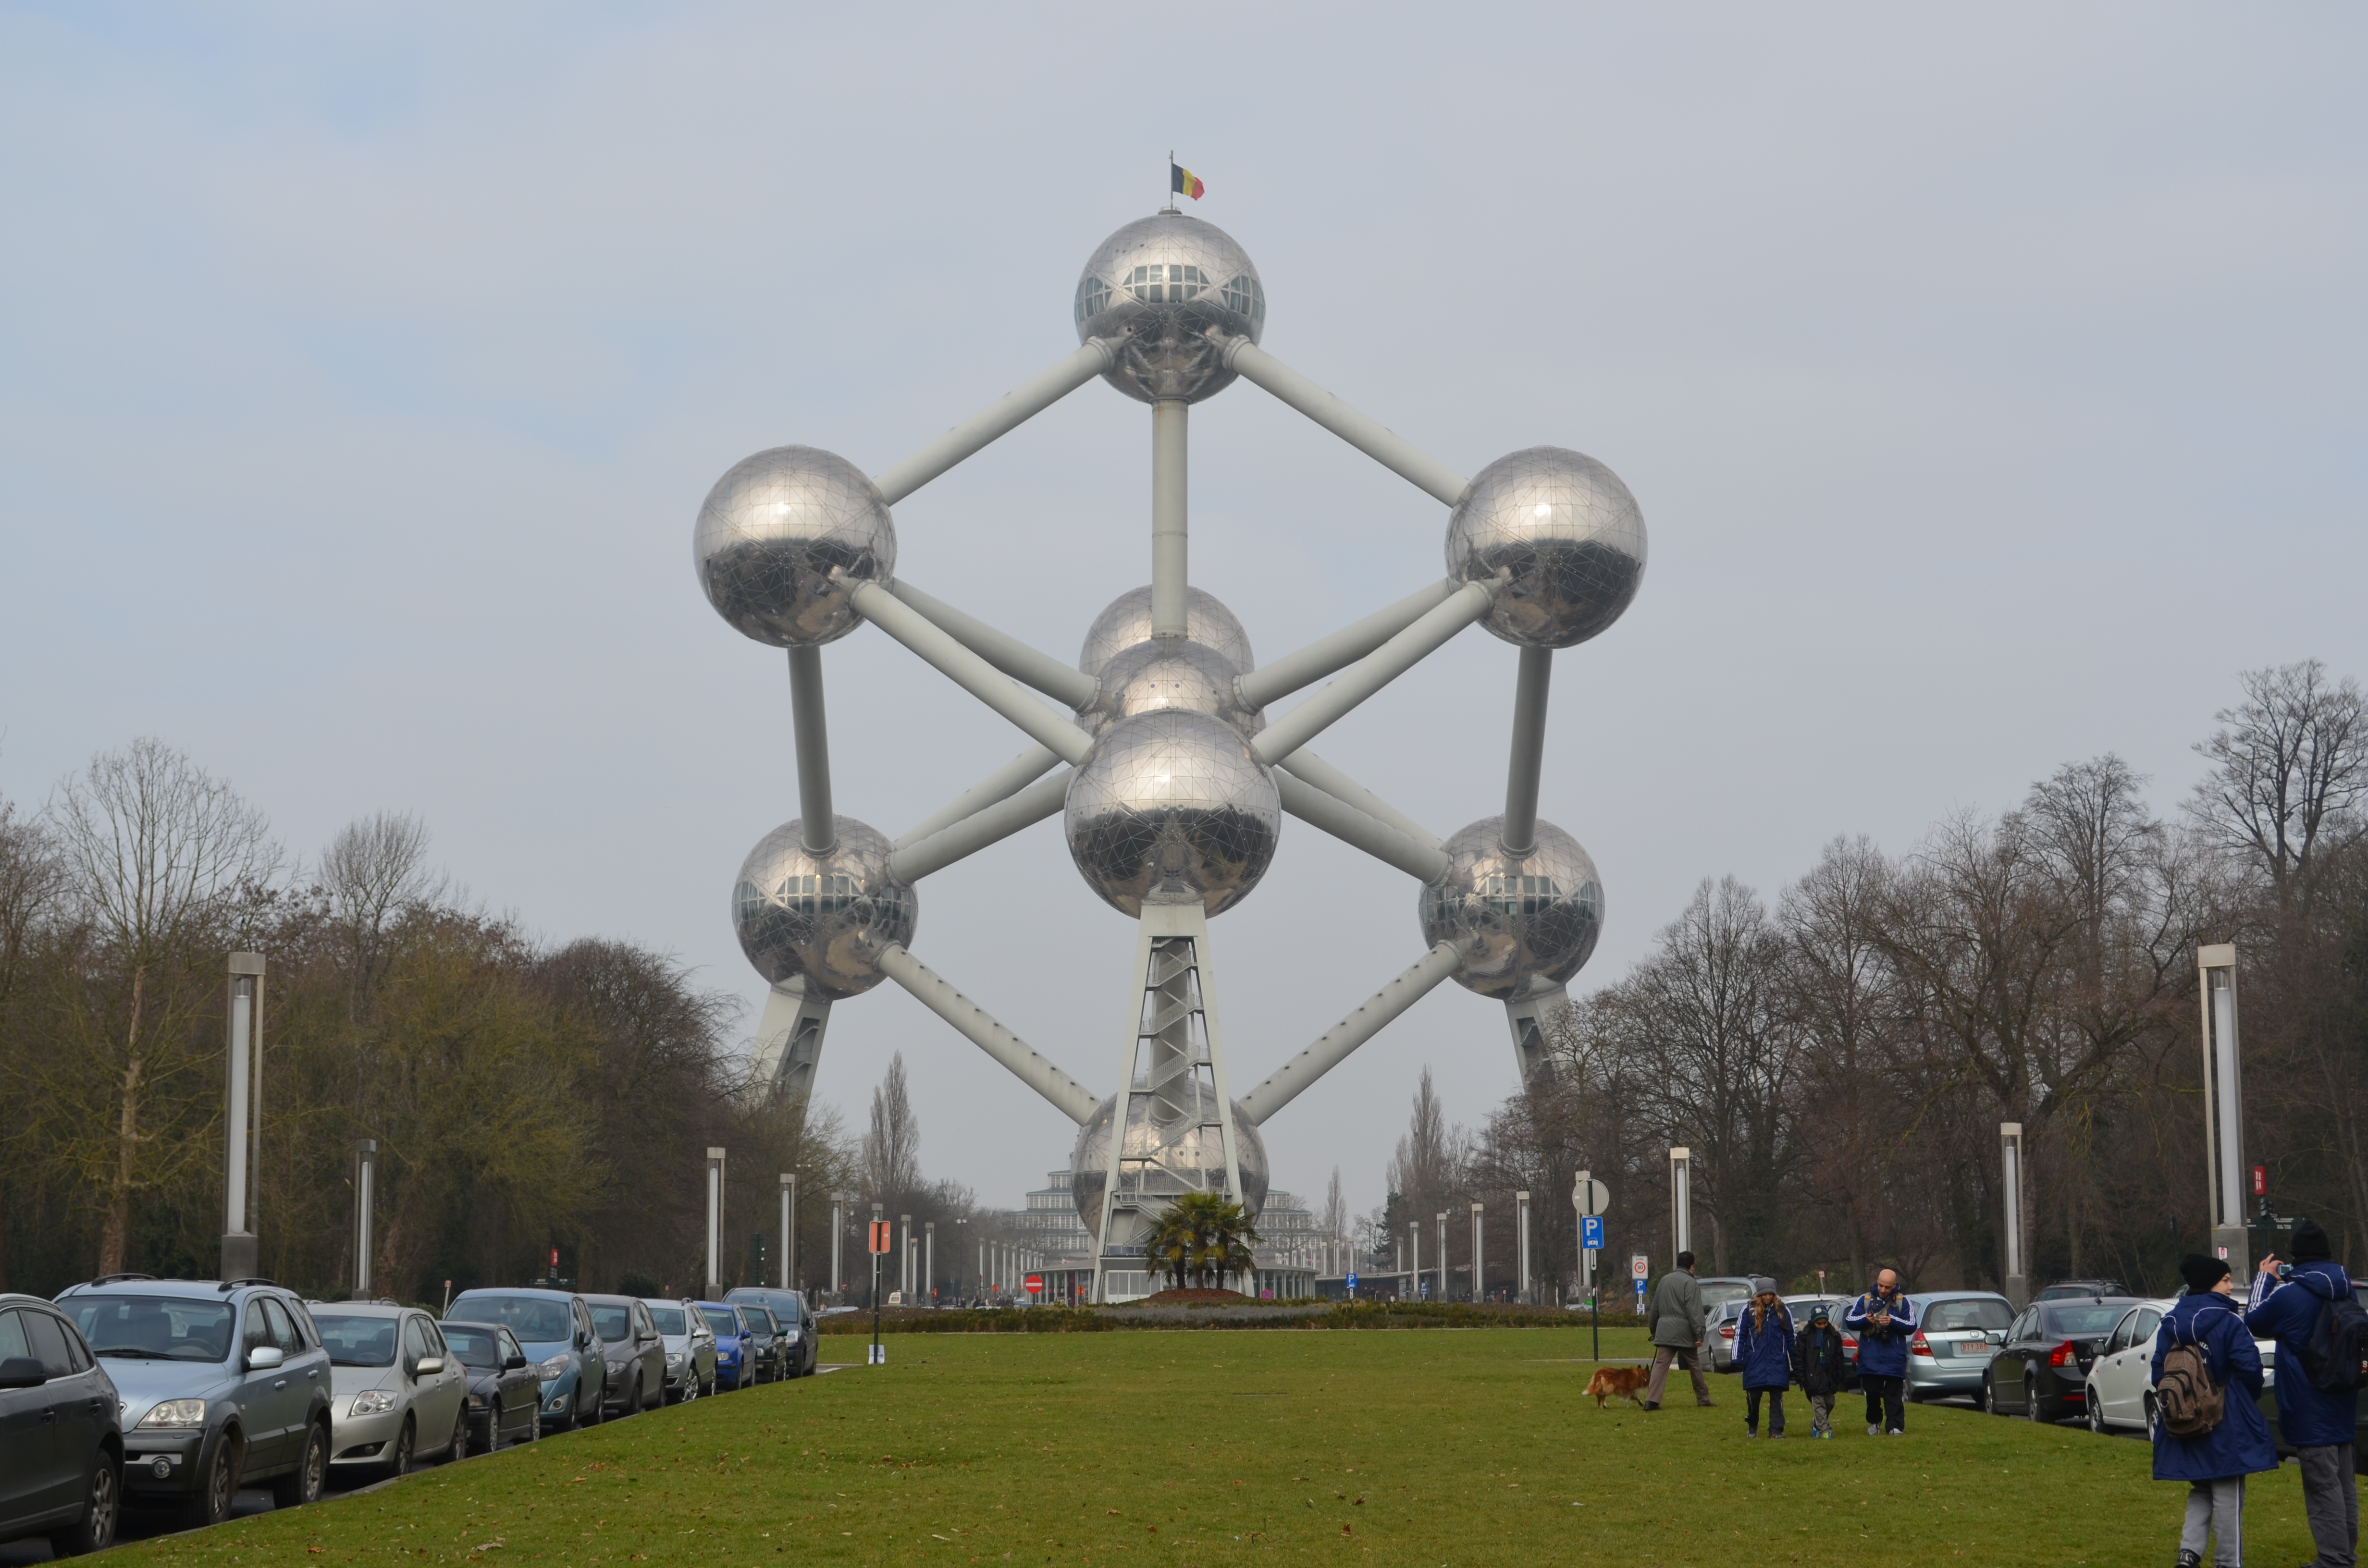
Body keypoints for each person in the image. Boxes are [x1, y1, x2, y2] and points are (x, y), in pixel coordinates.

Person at [2245, 1221, 2357, 1568]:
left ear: (2297, 1259)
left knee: (2322, 1486)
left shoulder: (2292, 1293)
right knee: (2343, 1484)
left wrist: (2265, 1278)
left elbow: (2253, 1319)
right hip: (2342, 1398)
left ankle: (2334, 1559)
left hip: (2309, 1404)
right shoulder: (2345, 1287)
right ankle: (2346, 1553)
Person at [2154, 1253, 2275, 1568]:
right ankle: (2228, 1562)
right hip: (2226, 1422)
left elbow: (2159, 1373)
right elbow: (2251, 1369)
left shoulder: (2171, 1324)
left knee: (2201, 1487)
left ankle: (2188, 1553)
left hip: (2184, 1422)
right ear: (2211, 1283)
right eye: (2225, 1280)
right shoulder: (2228, 1321)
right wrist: (2243, 1402)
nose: (2231, 1286)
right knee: (2228, 1493)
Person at [1846, 1268, 1916, 1435]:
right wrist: (1866, 1320)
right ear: (1877, 1281)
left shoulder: (1902, 1302)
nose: (1883, 1290)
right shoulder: (1865, 1300)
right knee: (1871, 1393)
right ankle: (1874, 1421)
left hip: (1894, 1357)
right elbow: (1850, 1320)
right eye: (1881, 1285)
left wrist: (1892, 1322)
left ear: (1895, 1286)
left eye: (1887, 1287)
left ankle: (1895, 1426)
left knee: (1894, 1396)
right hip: (1870, 1357)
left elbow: (1912, 1325)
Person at [1642, 1250, 1714, 1411]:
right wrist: (1699, 1334)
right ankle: (1703, 1399)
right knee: (1695, 1365)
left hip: (1665, 1331)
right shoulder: (1690, 1283)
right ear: (1692, 1267)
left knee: (1661, 1365)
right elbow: (1694, 1311)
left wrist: (1654, 1331)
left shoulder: (1664, 1281)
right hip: (1685, 1332)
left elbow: (1654, 1310)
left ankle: (1651, 1401)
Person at [1732, 1285, 1794, 1437]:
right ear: (1759, 1294)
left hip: (1777, 1361)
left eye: (1771, 1294)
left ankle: (1775, 1430)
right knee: (1753, 1397)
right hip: (1754, 1362)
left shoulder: (1783, 1310)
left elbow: (1791, 1336)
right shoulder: (1748, 1310)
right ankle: (1753, 1425)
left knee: (1777, 1398)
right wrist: (1736, 1358)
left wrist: (1796, 1360)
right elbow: (1740, 1334)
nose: (1768, 1297)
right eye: (1765, 1294)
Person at [1792, 1302, 1851, 1439]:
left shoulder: (1834, 1335)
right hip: (1812, 1376)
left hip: (1829, 1375)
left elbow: (1838, 1356)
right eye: (1819, 1324)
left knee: (1830, 1402)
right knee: (1819, 1404)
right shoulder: (1805, 1336)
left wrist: (1840, 1373)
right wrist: (1801, 1377)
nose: (1823, 1326)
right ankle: (1824, 1430)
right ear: (1813, 1322)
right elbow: (1799, 1358)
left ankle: (1817, 1423)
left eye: (1825, 1323)